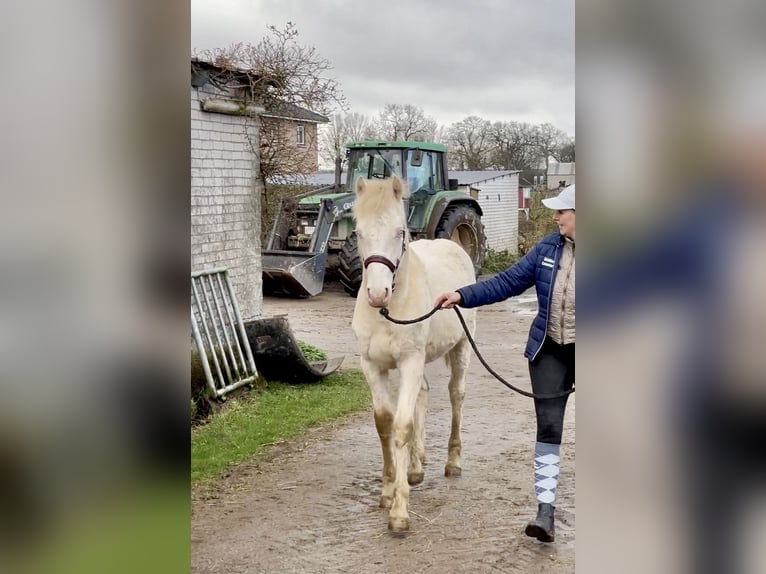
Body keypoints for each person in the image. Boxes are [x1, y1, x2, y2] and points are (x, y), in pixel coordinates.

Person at [434, 184, 576, 543]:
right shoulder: (547, 249)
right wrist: (463, 295)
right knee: (548, 429)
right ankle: (545, 513)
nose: (556, 216)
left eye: (563, 211)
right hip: (550, 350)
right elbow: (509, 281)